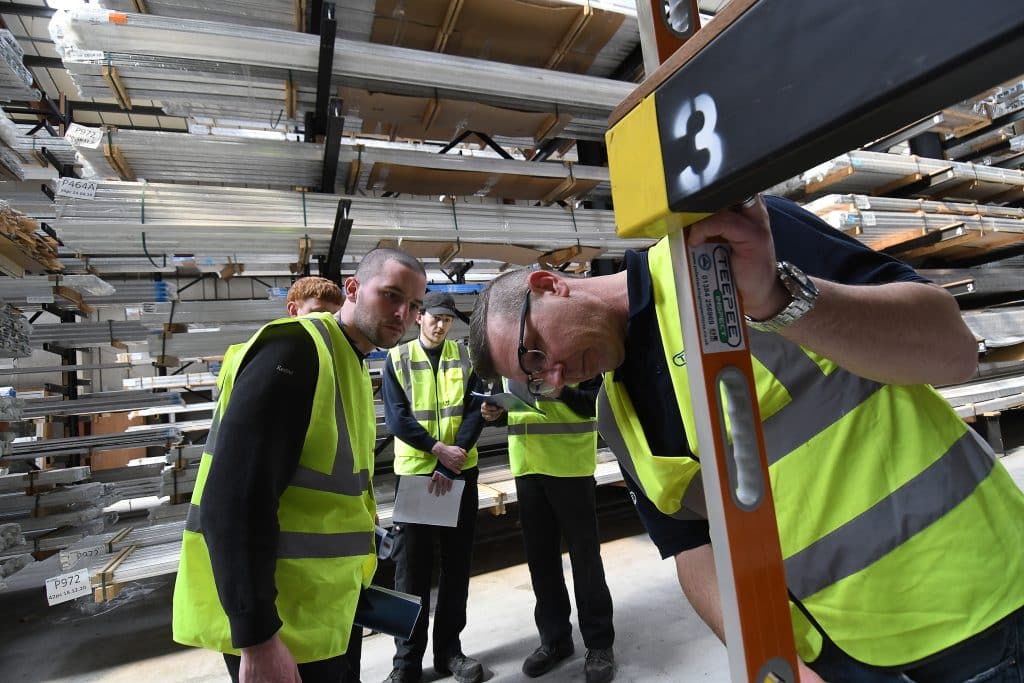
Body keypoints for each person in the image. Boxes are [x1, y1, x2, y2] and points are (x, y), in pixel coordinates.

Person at [467, 195, 1024, 683]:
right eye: (535, 382)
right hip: (832, 656)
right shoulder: (617, 417)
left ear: (550, 285)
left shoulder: (724, 248)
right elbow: (691, 550)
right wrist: (772, 661)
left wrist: (781, 301)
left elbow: (953, 350)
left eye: (535, 354)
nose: (555, 378)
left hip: (974, 609)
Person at [173, 248, 427, 683]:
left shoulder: (349, 360)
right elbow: (233, 499)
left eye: (414, 305)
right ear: (353, 289)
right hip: (280, 625)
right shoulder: (298, 349)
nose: (403, 313)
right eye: (391, 295)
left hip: (323, 611)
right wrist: (257, 636)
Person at [381, 291, 487, 683]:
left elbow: (477, 411)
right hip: (417, 477)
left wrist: (451, 460)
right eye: (434, 318)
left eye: (447, 320)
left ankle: (449, 653)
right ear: (419, 317)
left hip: (458, 474)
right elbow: (397, 419)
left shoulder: (466, 357)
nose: (440, 325)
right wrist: (437, 450)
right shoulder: (397, 359)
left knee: (457, 568)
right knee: (410, 574)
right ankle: (405, 665)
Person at [481, 377, 616, 683]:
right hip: (528, 465)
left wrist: (562, 392)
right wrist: (494, 414)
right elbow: (506, 405)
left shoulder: (575, 350)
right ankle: (555, 640)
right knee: (541, 562)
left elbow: (598, 403)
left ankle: (599, 644)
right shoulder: (510, 355)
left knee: (585, 560)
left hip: (571, 464)